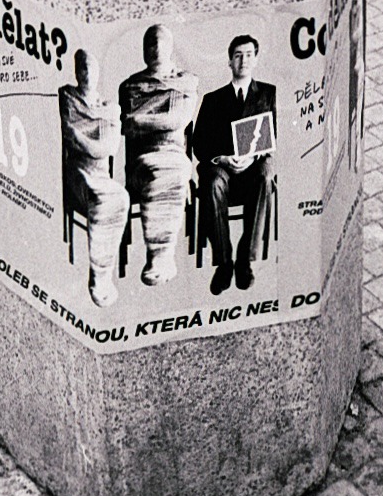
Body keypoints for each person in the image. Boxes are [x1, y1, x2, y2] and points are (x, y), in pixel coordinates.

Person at [192, 36, 276, 295]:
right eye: (238, 55)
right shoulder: (213, 99)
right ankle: (224, 263)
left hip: (253, 168)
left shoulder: (268, 93)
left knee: (266, 174)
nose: (244, 60)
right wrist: (223, 159)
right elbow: (199, 145)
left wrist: (252, 157)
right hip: (224, 170)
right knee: (213, 179)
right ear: (229, 61)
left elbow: (275, 136)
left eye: (249, 55)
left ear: (256, 60)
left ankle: (244, 261)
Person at [117, 25, 196, 285]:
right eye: (150, 43)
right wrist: (146, 121)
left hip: (174, 154)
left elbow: (179, 120)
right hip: (143, 159)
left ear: (170, 46)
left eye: (161, 42)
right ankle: (158, 254)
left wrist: (143, 119)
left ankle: (163, 254)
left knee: (174, 171)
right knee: (155, 171)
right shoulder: (131, 85)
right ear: (143, 49)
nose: (156, 48)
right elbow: (127, 125)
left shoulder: (185, 81)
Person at [59, 50, 131, 309]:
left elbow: (109, 148)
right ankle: (98, 279)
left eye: (92, 69)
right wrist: (90, 143)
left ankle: (103, 271)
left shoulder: (110, 108)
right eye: (83, 69)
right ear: (77, 72)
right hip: (78, 171)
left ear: (98, 74)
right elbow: (69, 136)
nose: (88, 75)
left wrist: (83, 140)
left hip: (102, 173)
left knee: (120, 197)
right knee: (100, 199)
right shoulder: (67, 98)